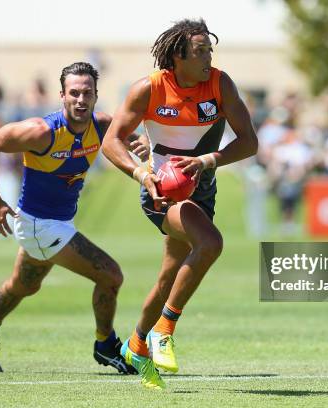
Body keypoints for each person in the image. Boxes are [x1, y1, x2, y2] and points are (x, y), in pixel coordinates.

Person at [102, 19, 258, 389]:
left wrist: (206, 162)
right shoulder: (149, 88)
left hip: (201, 192)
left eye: (210, 50)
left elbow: (249, 142)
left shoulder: (220, 83)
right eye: (200, 51)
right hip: (162, 192)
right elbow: (112, 141)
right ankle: (163, 330)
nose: (208, 57)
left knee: (169, 276)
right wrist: (143, 175)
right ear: (178, 56)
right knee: (211, 243)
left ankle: (136, 345)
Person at [0, 62, 145, 375]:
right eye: (74, 93)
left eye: (87, 93)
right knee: (110, 275)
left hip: (54, 225)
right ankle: (105, 345)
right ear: (62, 95)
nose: (80, 99)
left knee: (23, 286)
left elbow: (128, 136)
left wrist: (142, 144)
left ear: (96, 95)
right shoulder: (42, 131)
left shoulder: (101, 125)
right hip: (38, 224)